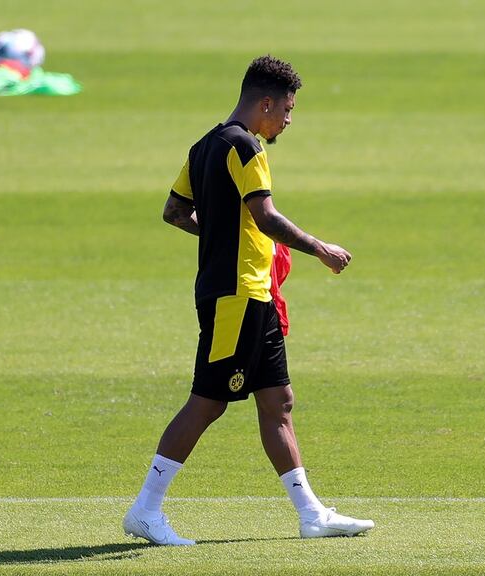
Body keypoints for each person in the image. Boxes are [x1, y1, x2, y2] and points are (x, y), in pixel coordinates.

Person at [123, 55, 374, 546]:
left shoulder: (203, 146)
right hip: (236, 295)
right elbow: (266, 216)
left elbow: (175, 211)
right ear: (265, 103)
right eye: (287, 109)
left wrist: (216, 235)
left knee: (278, 402)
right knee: (207, 402)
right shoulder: (245, 146)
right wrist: (320, 248)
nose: (288, 120)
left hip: (251, 293)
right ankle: (145, 510)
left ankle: (311, 514)